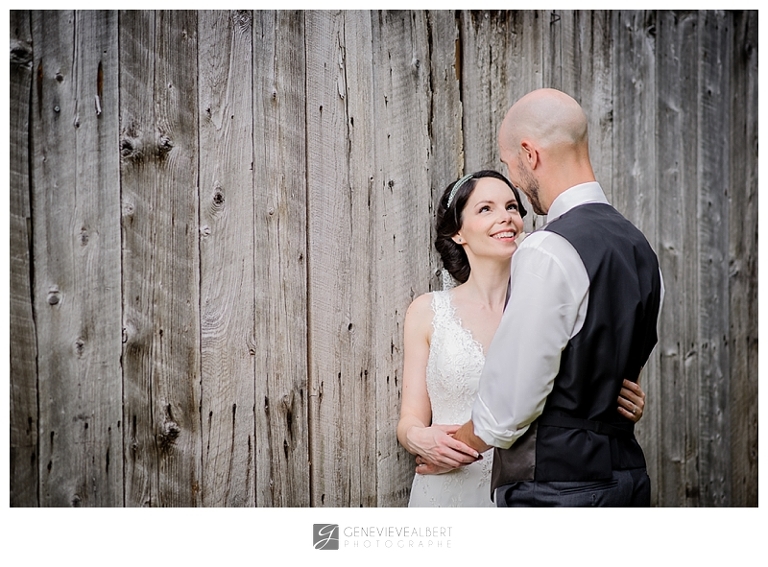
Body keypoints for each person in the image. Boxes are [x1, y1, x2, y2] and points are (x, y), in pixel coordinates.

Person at [452, 88, 663, 506]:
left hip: (557, 488)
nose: (516, 180)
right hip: (628, 482)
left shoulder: (547, 248)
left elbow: (510, 405)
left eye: (511, 165)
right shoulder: (642, 250)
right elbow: (617, 374)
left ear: (530, 155)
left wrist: (459, 443)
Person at [397, 169, 648, 507]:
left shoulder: (548, 310)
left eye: (512, 207)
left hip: (531, 488)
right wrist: (418, 438)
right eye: (486, 209)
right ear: (458, 232)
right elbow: (410, 418)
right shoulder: (427, 312)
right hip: (447, 486)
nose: (506, 218)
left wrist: (618, 403)